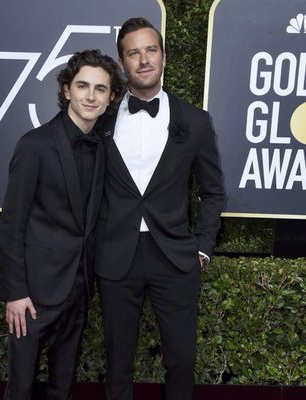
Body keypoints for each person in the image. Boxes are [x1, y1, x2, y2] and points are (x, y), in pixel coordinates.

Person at [95, 18, 225, 400]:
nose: (144, 59)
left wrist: (201, 247)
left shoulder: (195, 122)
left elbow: (213, 191)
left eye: (151, 50)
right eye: (133, 53)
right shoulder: (100, 119)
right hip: (116, 255)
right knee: (118, 361)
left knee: (182, 360)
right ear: (122, 64)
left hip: (174, 255)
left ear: (164, 56)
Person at [0, 49, 124, 400]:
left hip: (79, 287)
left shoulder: (103, 147)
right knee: (20, 388)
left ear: (111, 97)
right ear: (67, 89)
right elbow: (12, 224)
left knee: (62, 386)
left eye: (100, 89)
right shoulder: (34, 145)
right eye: (82, 86)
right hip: (33, 294)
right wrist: (15, 293)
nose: (91, 96)